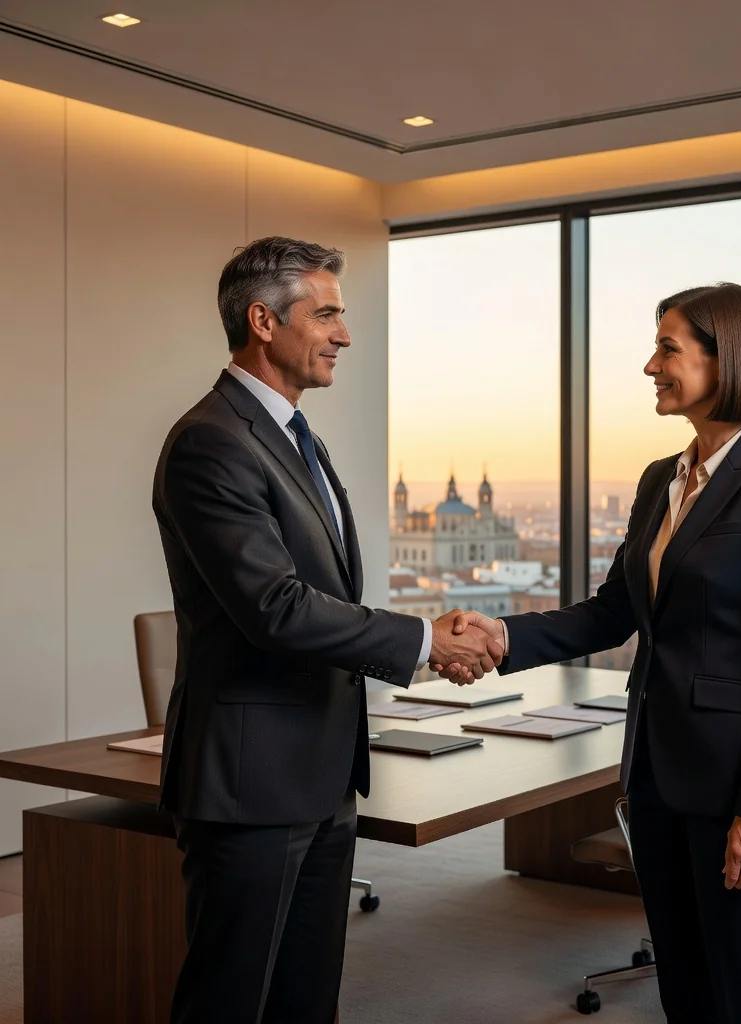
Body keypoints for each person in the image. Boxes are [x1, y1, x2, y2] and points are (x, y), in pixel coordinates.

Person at [438, 283, 741, 1024]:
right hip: (653, 777)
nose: (650, 365)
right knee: (682, 988)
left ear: (727, 361)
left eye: (668, 348)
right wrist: (503, 638)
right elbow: (615, 612)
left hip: (734, 791)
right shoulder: (662, 480)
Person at [152, 235, 500, 1024]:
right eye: (329, 314)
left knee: (307, 1001)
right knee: (229, 1000)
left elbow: (325, 591)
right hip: (250, 781)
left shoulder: (294, 436)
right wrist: (422, 642)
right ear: (262, 322)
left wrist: (421, 637)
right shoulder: (211, 441)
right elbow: (273, 605)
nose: (345, 334)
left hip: (319, 771)